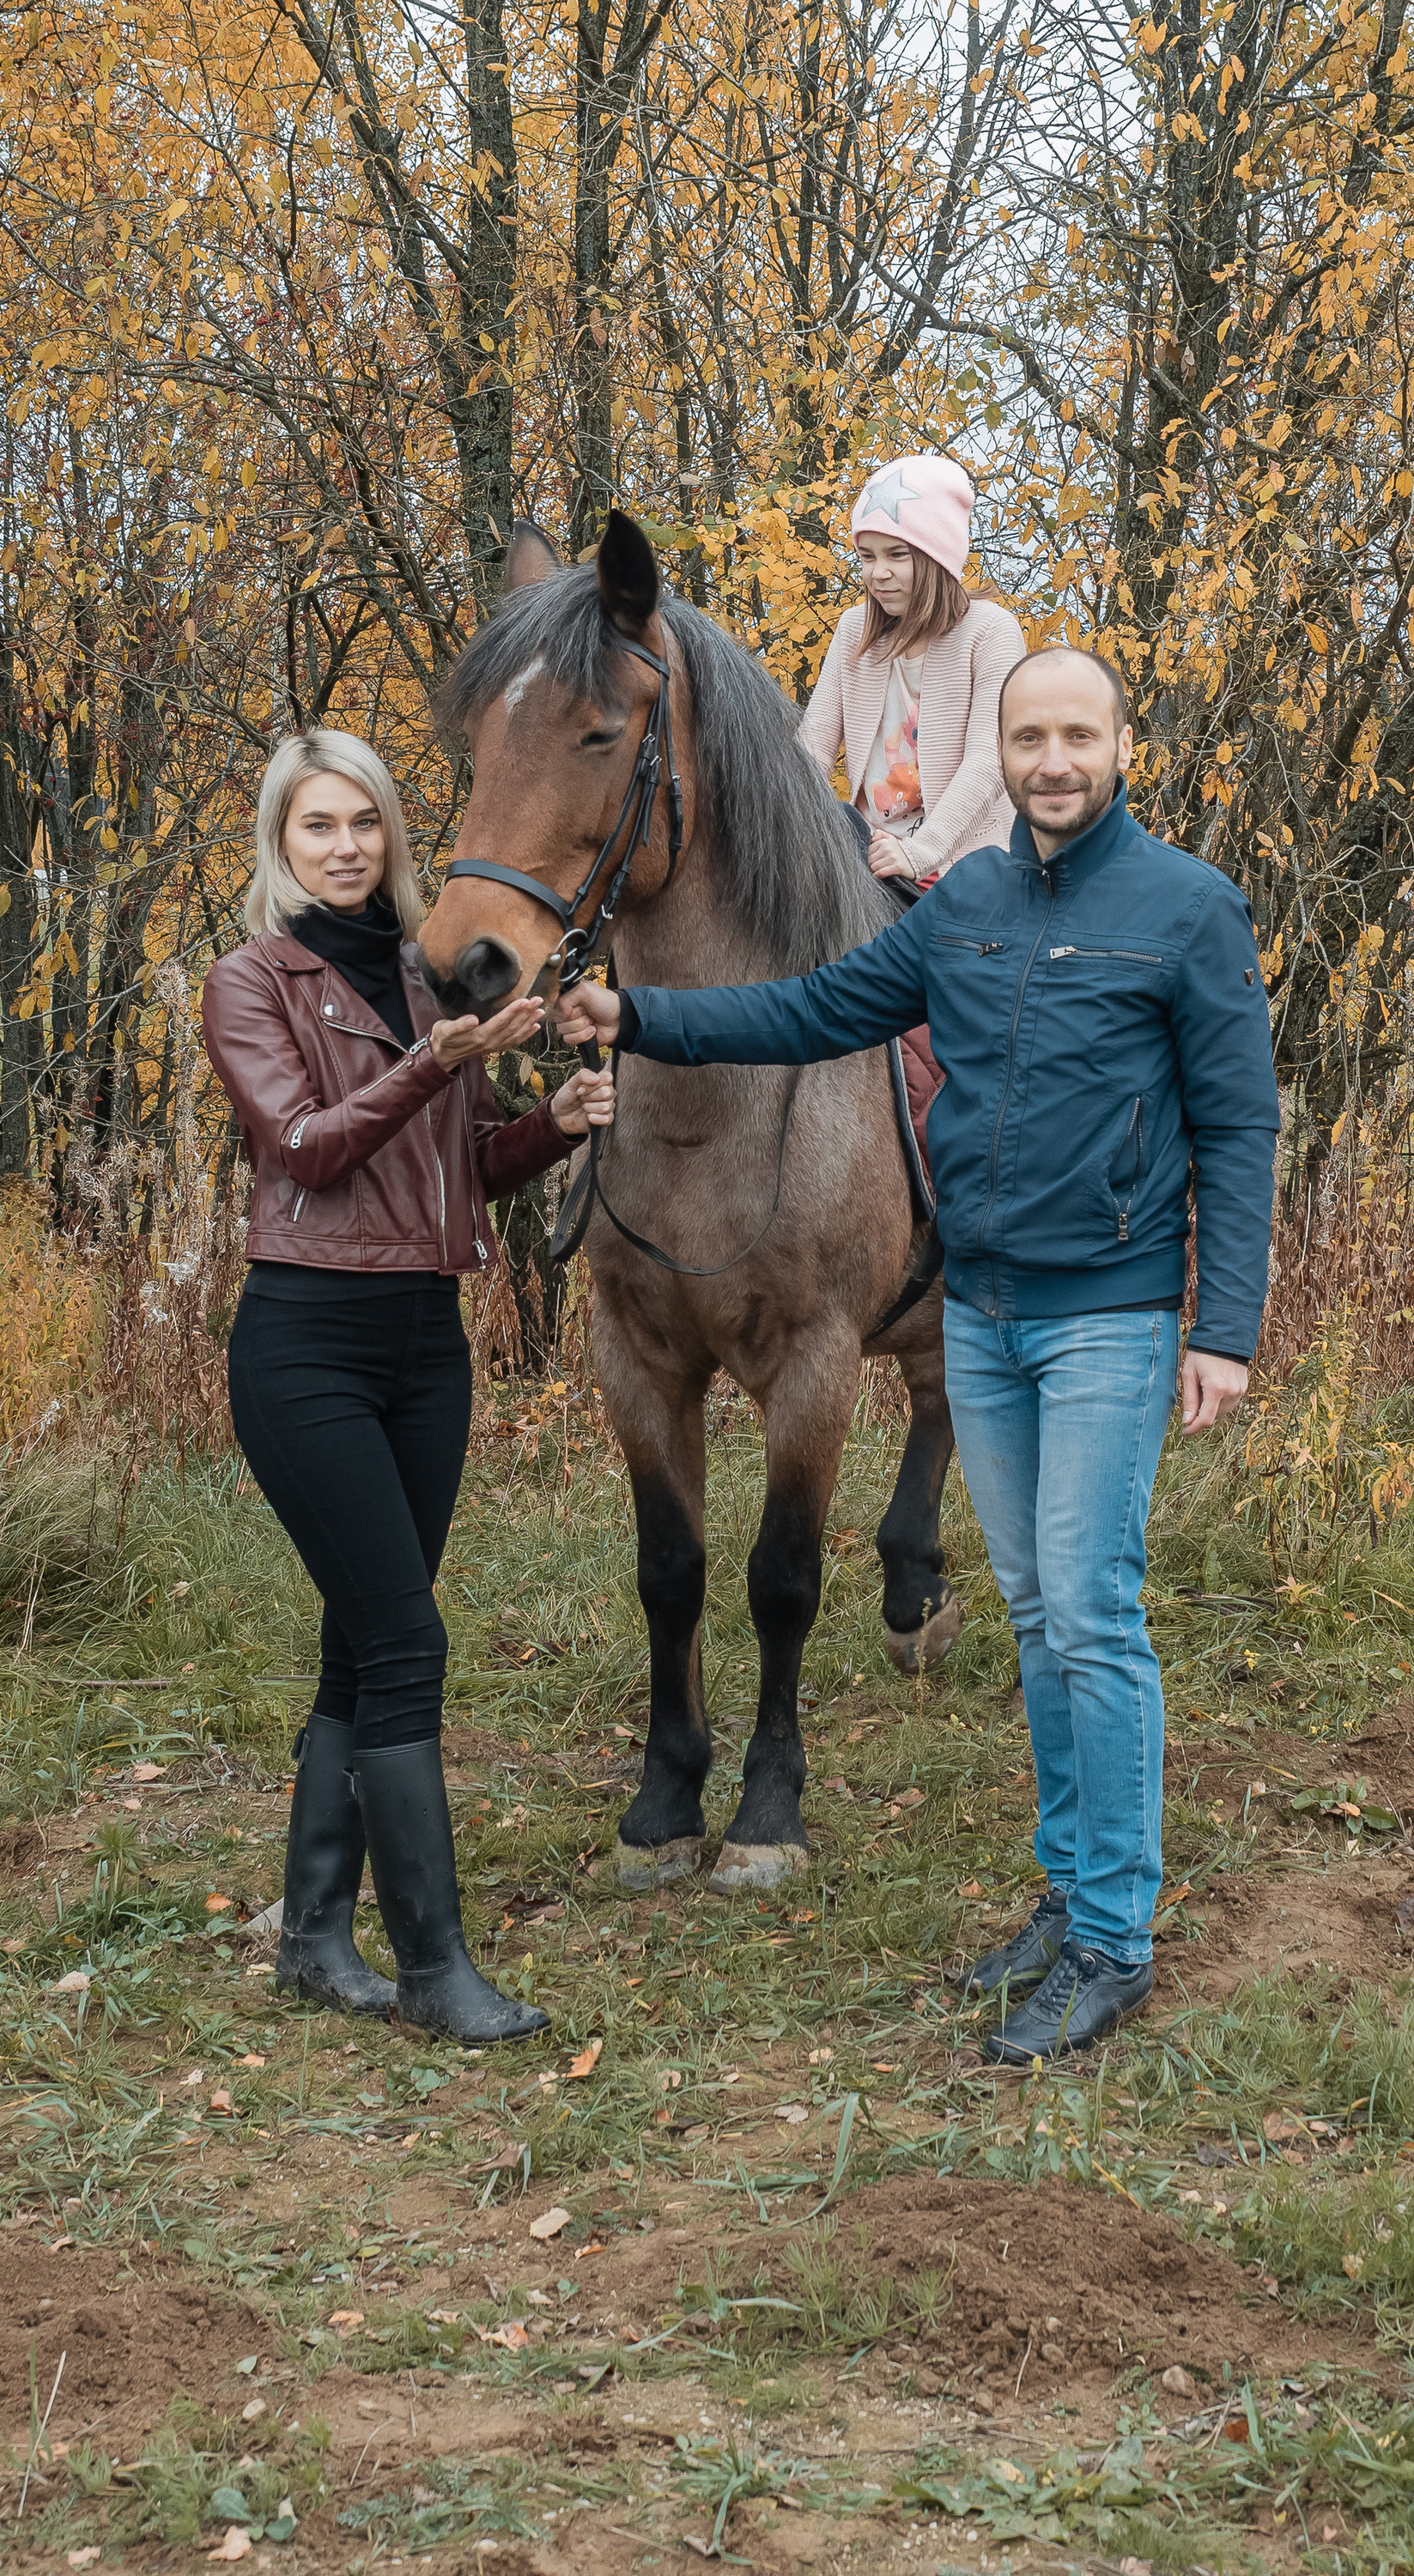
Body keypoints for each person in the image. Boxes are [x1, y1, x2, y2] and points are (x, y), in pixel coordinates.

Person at [555, 648, 1277, 2063]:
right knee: (1031, 1602)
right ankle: (1067, 1903)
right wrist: (640, 1013)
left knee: (1091, 1613)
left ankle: (1116, 1939)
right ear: (999, 753)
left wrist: (1225, 1327)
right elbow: (812, 1011)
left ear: (1122, 743)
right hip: (986, 1315)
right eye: (1031, 736)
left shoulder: (1190, 909)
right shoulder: (974, 902)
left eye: (1079, 733)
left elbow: (1239, 1126)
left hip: (1110, 1315)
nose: (1054, 759)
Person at [202, 730, 612, 2045]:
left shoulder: (436, 976)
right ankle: (433, 1969)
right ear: (281, 843)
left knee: (362, 1639)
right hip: (305, 1342)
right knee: (409, 1644)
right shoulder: (253, 981)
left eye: (363, 823)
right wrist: (433, 1063)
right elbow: (310, 1151)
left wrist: (551, 1123)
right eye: (316, 826)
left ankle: (318, 1940)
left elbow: (457, 1169)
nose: (343, 846)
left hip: (426, 1345)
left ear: (391, 834)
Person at [799, 454, 1028, 891]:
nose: (877, 573)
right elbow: (814, 744)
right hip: (868, 854)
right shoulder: (855, 631)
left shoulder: (989, 632)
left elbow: (989, 761)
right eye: (866, 556)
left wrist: (919, 852)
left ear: (937, 557)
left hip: (961, 862)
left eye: (897, 555)